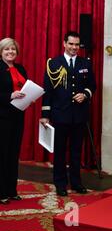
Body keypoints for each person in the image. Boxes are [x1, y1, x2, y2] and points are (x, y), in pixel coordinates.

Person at [39, 31, 96, 197]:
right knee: (60, 152)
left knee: (76, 151)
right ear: (64, 44)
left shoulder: (85, 63)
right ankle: (60, 183)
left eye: (77, 45)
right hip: (60, 114)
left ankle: (77, 182)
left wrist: (85, 94)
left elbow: (93, 85)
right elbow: (47, 91)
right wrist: (45, 114)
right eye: (71, 44)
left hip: (79, 116)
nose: (74, 47)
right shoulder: (54, 63)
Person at [0, 38, 27, 204]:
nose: (10, 52)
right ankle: (1, 192)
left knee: (13, 154)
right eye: (6, 49)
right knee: (2, 155)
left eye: (13, 49)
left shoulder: (21, 68)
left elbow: (25, 88)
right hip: (2, 118)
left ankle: (11, 190)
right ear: (1, 52)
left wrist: (30, 96)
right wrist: (10, 95)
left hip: (18, 117)